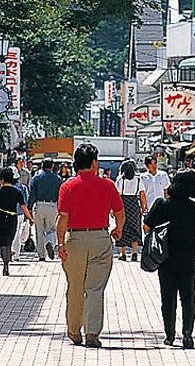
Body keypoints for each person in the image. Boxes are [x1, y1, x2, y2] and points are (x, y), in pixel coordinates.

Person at [56, 143, 125, 348]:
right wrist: (118, 229)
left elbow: (62, 217)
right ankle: (92, 333)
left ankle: (74, 331)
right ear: (95, 163)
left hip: (75, 240)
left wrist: (60, 243)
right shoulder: (108, 185)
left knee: (75, 287)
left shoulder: (67, 186)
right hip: (100, 239)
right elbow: (120, 214)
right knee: (95, 288)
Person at [143, 170, 195, 349]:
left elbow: (147, 227)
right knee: (189, 298)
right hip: (189, 260)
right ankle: (187, 334)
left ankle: (169, 335)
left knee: (167, 299)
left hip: (166, 259)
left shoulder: (162, 204)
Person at [0, 167, 34, 276]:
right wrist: (30, 218)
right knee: (10, 240)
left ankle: (5, 264)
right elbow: (23, 206)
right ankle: (8, 258)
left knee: (2, 241)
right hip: (13, 219)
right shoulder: (17, 191)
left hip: (0, 218)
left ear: (2, 179)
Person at [28, 159, 62, 261]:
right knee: (52, 229)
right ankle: (49, 242)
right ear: (52, 167)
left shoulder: (36, 178)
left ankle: (41, 255)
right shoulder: (57, 179)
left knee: (39, 230)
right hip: (52, 205)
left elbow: (32, 194)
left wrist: (29, 208)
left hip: (39, 205)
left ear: (42, 166)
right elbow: (60, 195)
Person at [115, 159, 147, 261]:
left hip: (123, 205)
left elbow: (117, 195)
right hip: (134, 205)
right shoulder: (138, 179)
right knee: (135, 228)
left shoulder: (120, 179)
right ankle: (134, 252)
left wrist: (113, 209)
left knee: (122, 227)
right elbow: (142, 194)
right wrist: (143, 207)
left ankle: (123, 254)